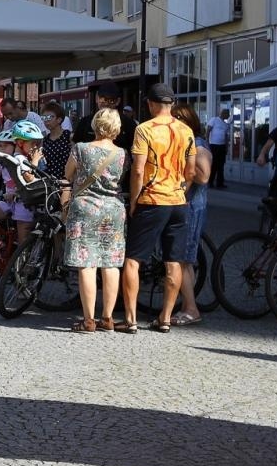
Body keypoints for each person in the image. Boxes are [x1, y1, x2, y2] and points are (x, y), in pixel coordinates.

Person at [122, 83, 194, 333]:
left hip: (152, 200)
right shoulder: (186, 131)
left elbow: (138, 169)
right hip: (177, 201)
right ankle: (165, 317)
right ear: (172, 104)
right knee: (173, 261)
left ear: (151, 104)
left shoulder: (144, 129)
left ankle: (130, 320)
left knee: (133, 259)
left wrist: (134, 200)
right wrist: (181, 191)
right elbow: (191, 171)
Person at [62, 107, 127, 333]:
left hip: (85, 207)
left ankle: (88, 320)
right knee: (111, 263)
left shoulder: (80, 149)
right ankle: (107, 318)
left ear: (95, 125)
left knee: (87, 263)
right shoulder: (122, 154)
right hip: (114, 209)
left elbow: (68, 174)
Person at [170, 103, 212, 326]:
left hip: (191, 207)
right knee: (179, 258)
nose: (176, 123)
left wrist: (184, 158)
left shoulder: (198, 143)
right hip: (181, 205)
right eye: (174, 118)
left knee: (183, 260)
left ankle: (191, 308)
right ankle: (186, 304)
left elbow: (203, 176)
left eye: (181, 119)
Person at [95, 82, 135, 151]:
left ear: (118, 101)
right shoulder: (85, 122)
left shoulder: (129, 124)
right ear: (97, 99)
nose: (106, 103)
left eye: (111, 100)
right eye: (103, 99)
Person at [38, 101, 73, 179]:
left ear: (59, 119)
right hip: (50, 183)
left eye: (50, 117)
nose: (46, 121)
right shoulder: (45, 140)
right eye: (44, 118)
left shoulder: (69, 137)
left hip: (66, 182)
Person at [206, 107, 230, 189]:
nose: (229, 115)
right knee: (214, 165)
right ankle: (210, 182)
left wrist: (227, 147)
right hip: (214, 145)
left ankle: (220, 183)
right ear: (224, 113)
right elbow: (208, 130)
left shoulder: (226, 124)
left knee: (221, 165)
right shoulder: (214, 120)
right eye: (228, 114)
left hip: (222, 146)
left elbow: (226, 137)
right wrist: (207, 142)